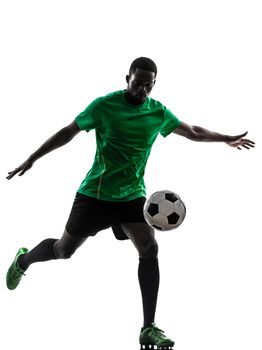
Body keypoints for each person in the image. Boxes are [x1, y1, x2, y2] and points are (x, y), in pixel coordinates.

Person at [6, 57, 255, 349]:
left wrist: (225, 138)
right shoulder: (104, 106)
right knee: (63, 251)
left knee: (149, 247)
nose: (142, 90)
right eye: (137, 83)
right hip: (95, 195)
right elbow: (68, 132)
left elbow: (193, 132)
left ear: (154, 84)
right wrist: (33, 158)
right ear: (127, 78)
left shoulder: (157, 112)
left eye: (148, 85)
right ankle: (23, 260)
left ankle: (148, 327)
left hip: (133, 196)